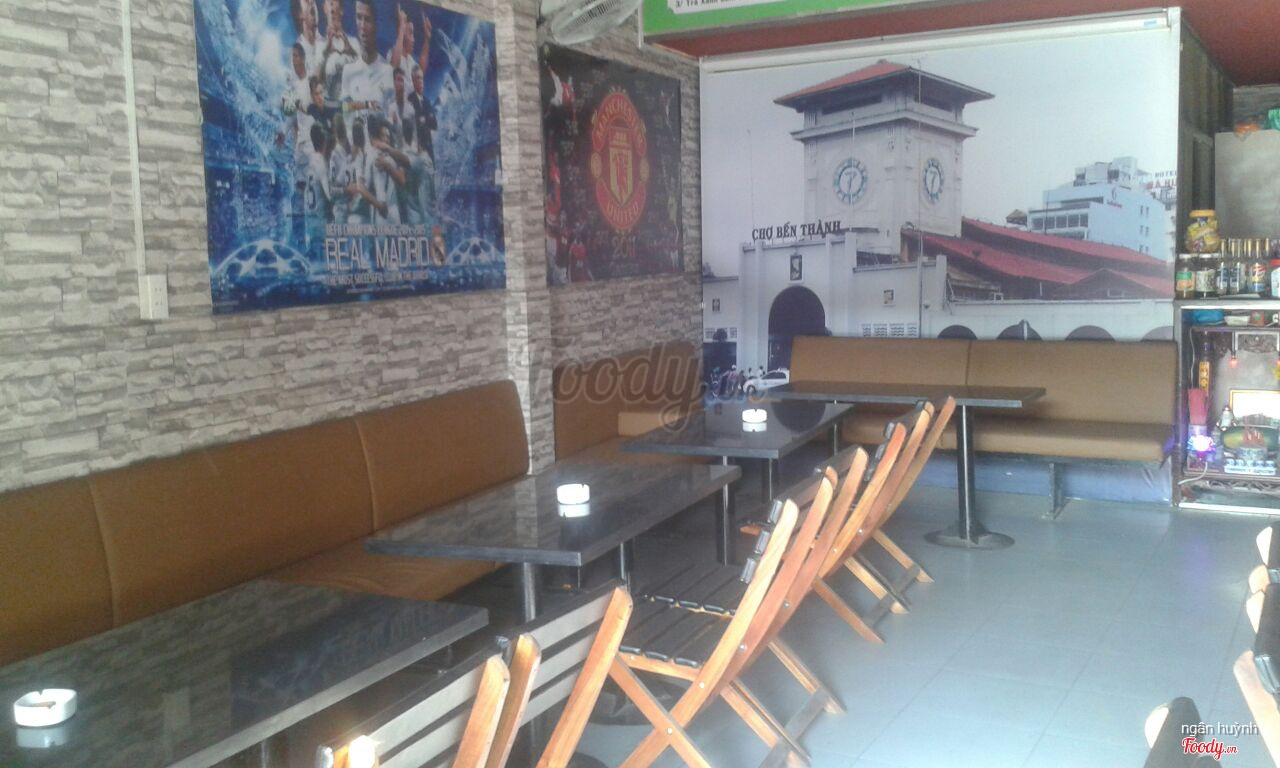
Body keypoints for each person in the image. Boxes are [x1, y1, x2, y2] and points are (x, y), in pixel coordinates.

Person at [340, 0, 393, 126]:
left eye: (367, 19)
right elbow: (343, 108)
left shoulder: (387, 71)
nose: (362, 26)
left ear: (375, 24)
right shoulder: (348, 70)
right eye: (359, 18)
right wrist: (366, 105)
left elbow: (391, 116)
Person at [319, 0, 361, 101]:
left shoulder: (354, 43)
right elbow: (316, 83)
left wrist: (350, 50)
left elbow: (362, 75)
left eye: (334, 3)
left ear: (341, 10)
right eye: (329, 4)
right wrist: (325, 55)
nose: (332, 9)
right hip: (328, 105)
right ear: (324, 8)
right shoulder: (319, 46)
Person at [368, 119, 406, 224]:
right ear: (378, 137)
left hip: (394, 210)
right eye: (383, 136)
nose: (386, 139)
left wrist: (388, 166)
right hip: (380, 211)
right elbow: (366, 187)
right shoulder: (371, 157)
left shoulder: (393, 159)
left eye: (388, 137)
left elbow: (402, 181)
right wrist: (377, 204)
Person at [302, 124, 331, 256]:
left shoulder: (310, 161)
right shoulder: (320, 163)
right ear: (324, 142)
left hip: (309, 218)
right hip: (320, 221)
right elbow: (329, 195)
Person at [290, 0, 321, 77]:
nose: (311, 2)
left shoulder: (327, 43)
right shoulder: (296, 54)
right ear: (300, 14)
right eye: (306, 1)